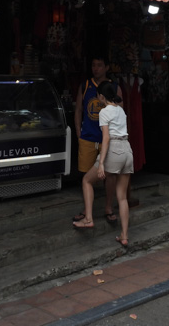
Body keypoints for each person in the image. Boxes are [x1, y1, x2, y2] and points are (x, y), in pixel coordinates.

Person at [73, 81, 134, 247]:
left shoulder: (104, 111)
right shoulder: (121, 110)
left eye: (98, 96)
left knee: (87, 181)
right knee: (121, 197)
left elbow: (106, 138)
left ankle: (88, 219)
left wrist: (101, 164)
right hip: (127, 150)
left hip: (113, 149)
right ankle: (124, 235)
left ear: (101, 96)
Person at [72, 55, 121, 223]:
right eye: (93, 65)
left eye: (99, 65)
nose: (96, 68)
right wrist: (79, 132)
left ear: (107, 67)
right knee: (86, 175)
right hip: (87, 137)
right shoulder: (85, 85)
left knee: (110, 175)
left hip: (107, 140)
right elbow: (78, 109)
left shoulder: (114, 87)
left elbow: (120, 113)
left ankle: (108, 207)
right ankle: (87, 210)